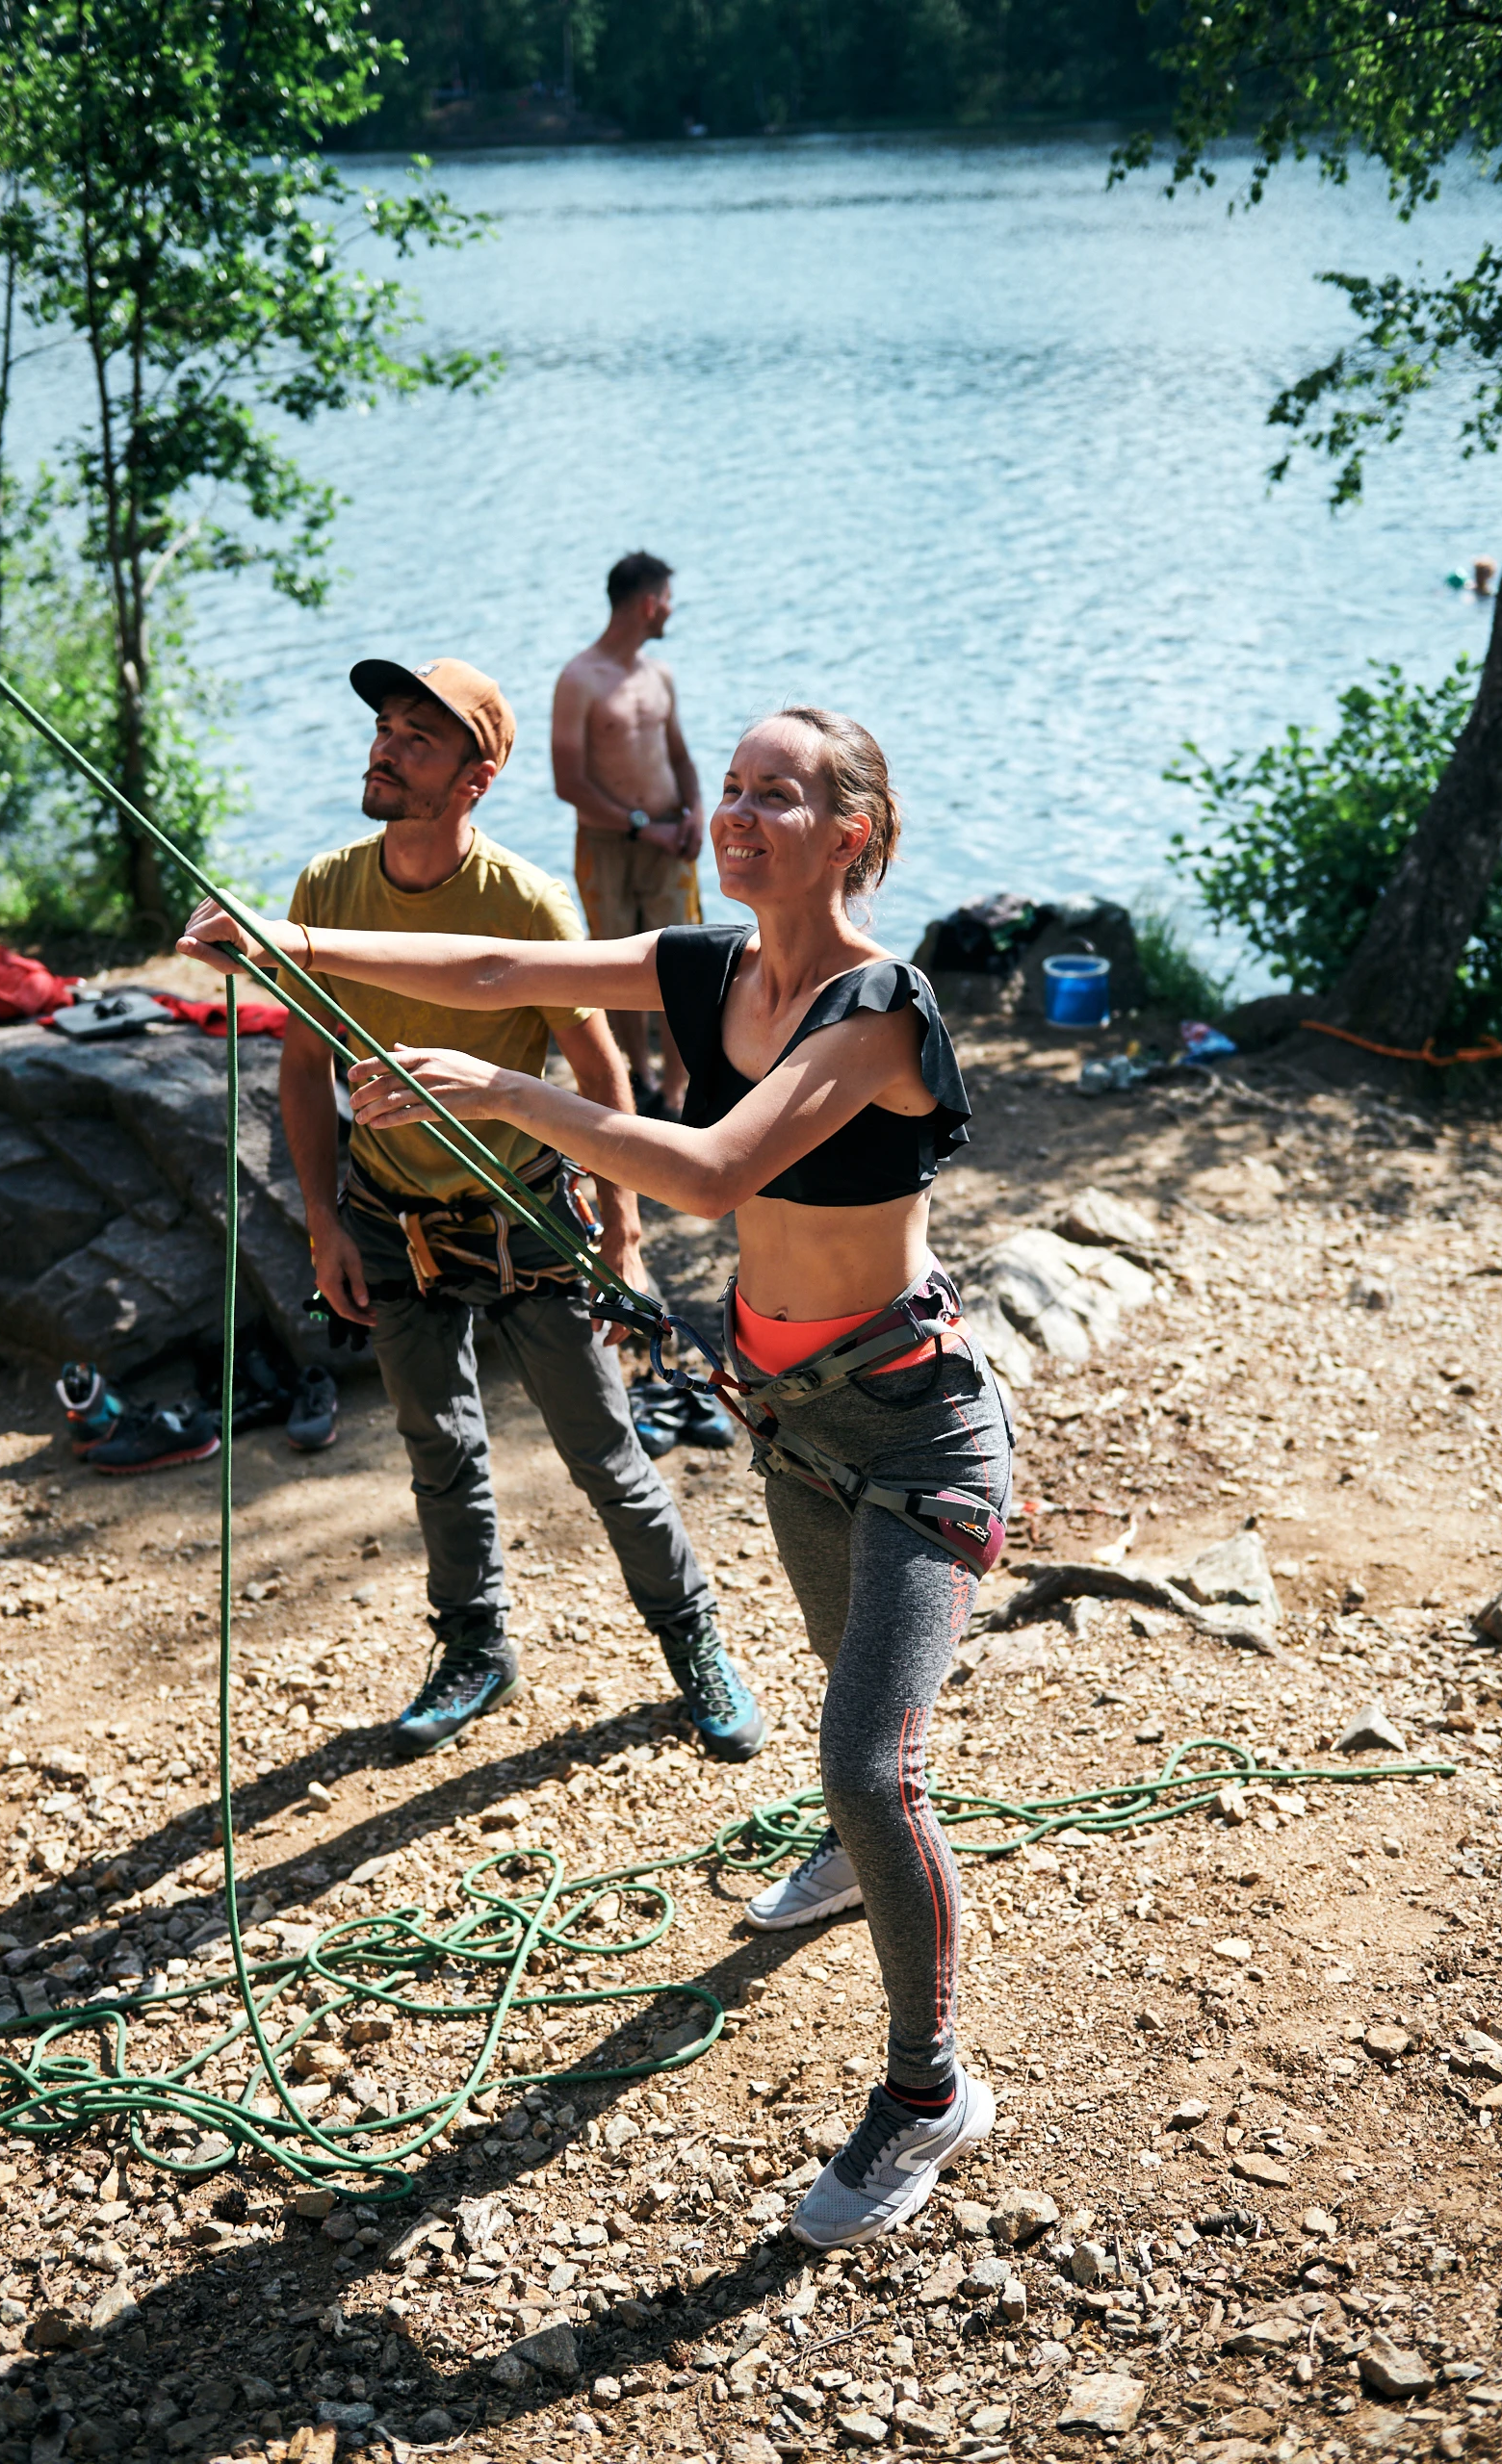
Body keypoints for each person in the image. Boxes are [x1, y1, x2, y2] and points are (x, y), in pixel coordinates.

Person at [181, 703, 1013, 2251]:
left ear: (850, 833)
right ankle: (856, 1862)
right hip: (789, 1423)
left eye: (777, 794)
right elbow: (500, 973)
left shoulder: (875, 1011)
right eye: (733, 788)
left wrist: (507, 1098)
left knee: (864, 1764)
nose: (736, 813)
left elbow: (708, 1171)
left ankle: (926, 2091)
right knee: (847, 1702)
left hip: (914, 1428)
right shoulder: (713, 969)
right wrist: (293, 940)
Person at [191, 654, 764, 1764]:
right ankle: (475, 1647)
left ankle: (692, 1637)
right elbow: (302, 1066)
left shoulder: (524, 903)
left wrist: (623, 1235)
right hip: (388, 1221)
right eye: (385, 728)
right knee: (437, 1447)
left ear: (475, 779)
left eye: (418, 738)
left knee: (603, 1452)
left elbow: (602, 1071)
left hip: (525, 1222)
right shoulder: (325, 892)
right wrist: (323, 1219)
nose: (385, 748)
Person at [552, 552, 705, 1117]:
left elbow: (680, 757)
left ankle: (677, 1090)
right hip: (608, 846)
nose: (671, 609)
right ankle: (640, 1078)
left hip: (671, 843)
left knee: (682, 962)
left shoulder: (659, 675)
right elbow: (570, 782)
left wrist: (695, 812)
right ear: (647, 603)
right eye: (667, 598)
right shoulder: (579, 680)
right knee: (619, 966)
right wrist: (643, 828)